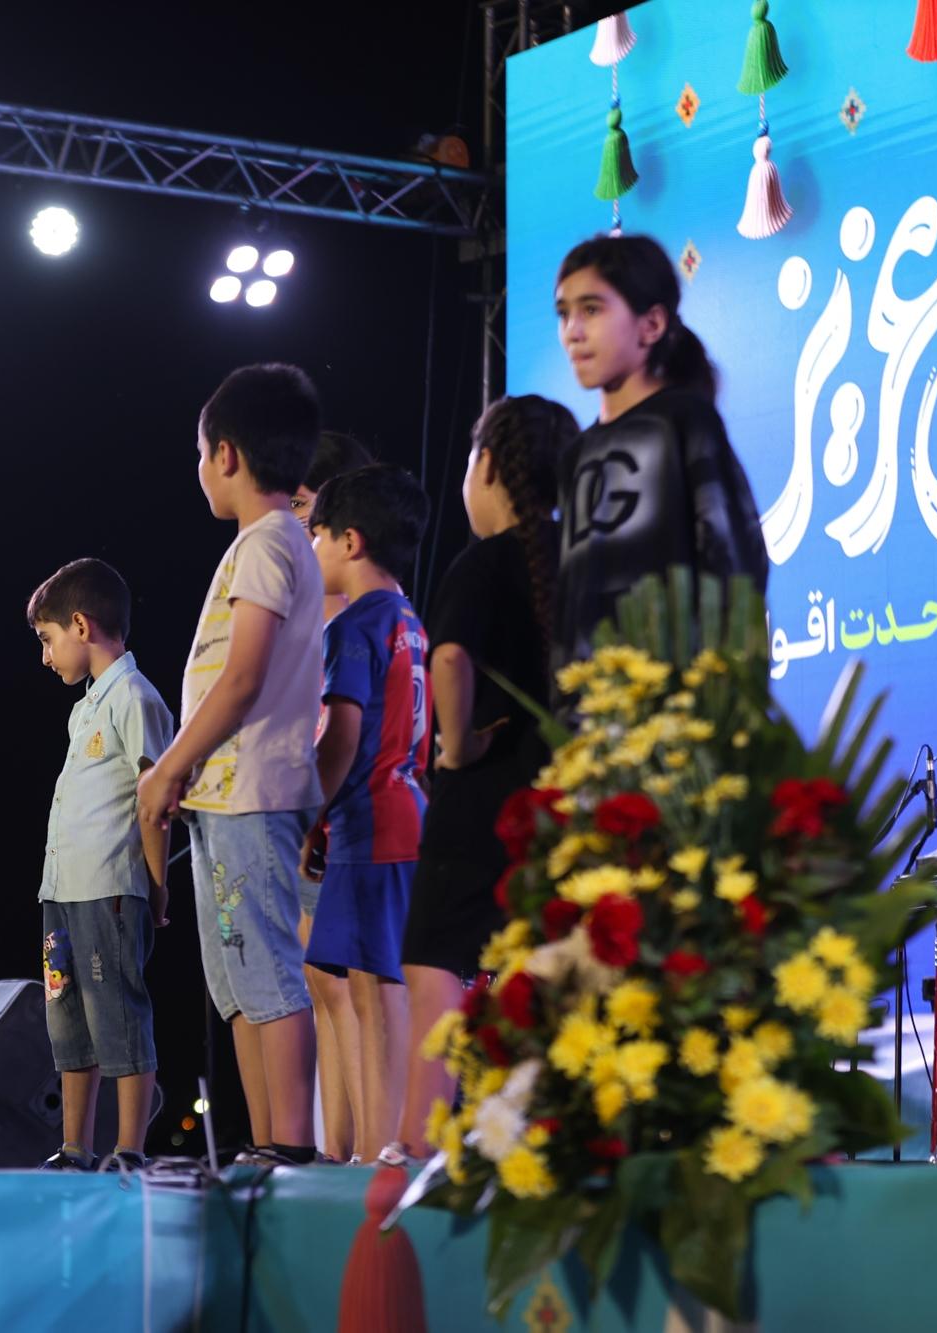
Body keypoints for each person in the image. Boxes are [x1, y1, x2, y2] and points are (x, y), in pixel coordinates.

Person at [138, 362, 325, 1167]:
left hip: (253, 792)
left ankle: (292, 1141)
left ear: (227, 455)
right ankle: (265, 1140)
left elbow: (244, 677)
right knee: (238, 980)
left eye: (200, 452)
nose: (200, 468)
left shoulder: (270, 540)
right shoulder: (261, 543)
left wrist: (169, 766)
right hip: (223, 798)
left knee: (269, 969)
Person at [397, 396, 576, 1157]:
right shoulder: (580, 563)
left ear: (490, 466)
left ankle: (418, 1145)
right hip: (560, 792)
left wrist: (456, 745)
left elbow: (449, 656)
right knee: (533, 968)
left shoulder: (484, 560)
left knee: (434, 961)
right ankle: (528, 1137)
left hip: (483, 797)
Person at [552, 233, 769, 668]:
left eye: (591, 310)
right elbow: (571, 600)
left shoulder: (685, 421)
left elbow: (734, 562)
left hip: (681, 694)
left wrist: (723, 687)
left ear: (651, 324)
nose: (572, 331)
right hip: (593, 700)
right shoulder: (576, 455)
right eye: (564, 313)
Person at [299, 464, 432, 1166]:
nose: (311, 548)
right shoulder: (409, 618)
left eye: (316, 535)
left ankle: (387, 1147)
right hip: (401, 811)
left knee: (379, 994)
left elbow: (341, 736)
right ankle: (377, 1147)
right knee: (372, 989)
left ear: (349, 542)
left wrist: (307, 816)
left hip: (373, 823)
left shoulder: (352, 625)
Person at [27, 558, 175, 1174]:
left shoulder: (136, 698)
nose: (45, 656)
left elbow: (156, 801)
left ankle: (130, 1148)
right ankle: (74, 1147)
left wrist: (157, 886)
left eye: (47, 639)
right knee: (67, 1019)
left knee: (117, 1014)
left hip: (109, 885)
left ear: (81, 626)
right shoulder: (84, 708)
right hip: (63, 889)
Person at [290, 426, 373, 1162]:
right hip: (306, 809)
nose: (296, 527)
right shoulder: (308, 604)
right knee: (319, 981)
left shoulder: (357, 612)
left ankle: (362, 1153)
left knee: (345, 985)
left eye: (303, 509)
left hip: (342, 813)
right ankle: (334, 1149)